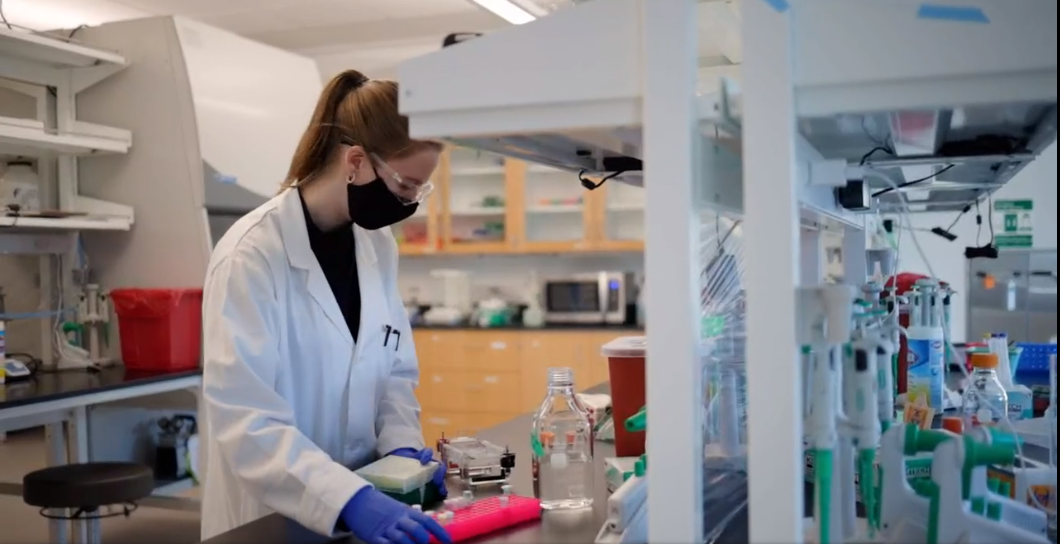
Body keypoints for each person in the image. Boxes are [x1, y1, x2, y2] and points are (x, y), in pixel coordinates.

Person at [199, 69, 451, 544]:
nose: (411, 202)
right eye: (405, 187)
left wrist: (402, 452)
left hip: (366, 507)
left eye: (420, 190)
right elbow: (246, 420)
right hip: (270, 518)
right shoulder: (250, 256)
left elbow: (394, 372)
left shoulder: (376, 245)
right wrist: (348, 498)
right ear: (355, 161)